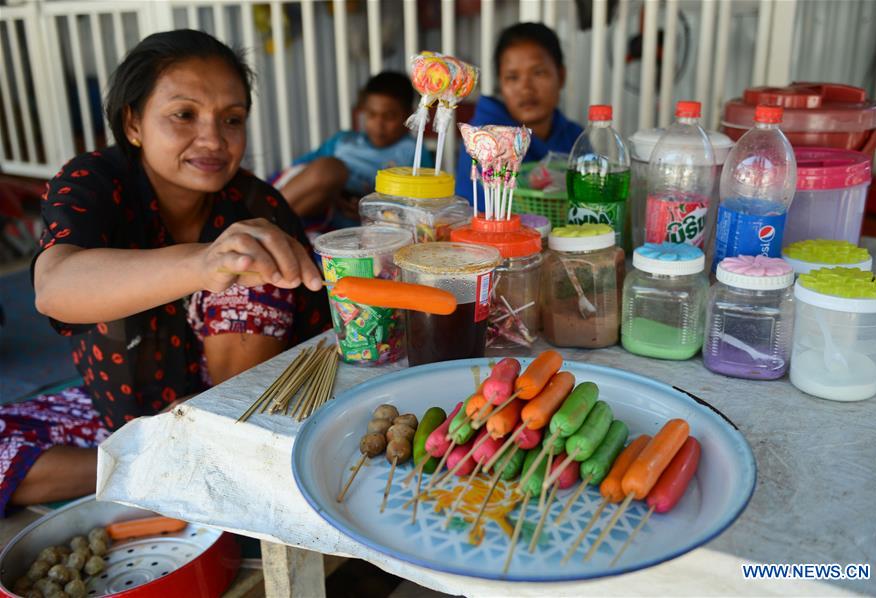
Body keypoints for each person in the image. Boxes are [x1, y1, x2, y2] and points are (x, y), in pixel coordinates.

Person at [0, 29, 329, 515]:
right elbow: (55, 288)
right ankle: (159, 462)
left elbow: (265, 381)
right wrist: (203, 263)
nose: (213, 139)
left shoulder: (255, 208)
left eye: (232, 119)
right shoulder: (94, 182)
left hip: (239, 413)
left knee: (251, 263)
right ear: (133, 123)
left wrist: (226, 266)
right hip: (121, 416)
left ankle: (207, 455)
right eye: (184, 115)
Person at [273, 71, 434, 231]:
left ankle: (276, 225)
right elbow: (301, 173)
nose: (378, 124)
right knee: (331, 169)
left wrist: (371, 210)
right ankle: (270, 217)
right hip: (311, 207)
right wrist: (333, 194)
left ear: (409, 115)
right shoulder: (343, 141)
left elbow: (424, 206)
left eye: (389, 116)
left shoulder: (413, 152)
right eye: (371, 114)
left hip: (363, 229)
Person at [455, 22, 583, 204]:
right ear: (501, 84)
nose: (525, 88)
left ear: (561, 76)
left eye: (538, 73)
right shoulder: (484, 140)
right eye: (512, 77)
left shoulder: (576, 139)